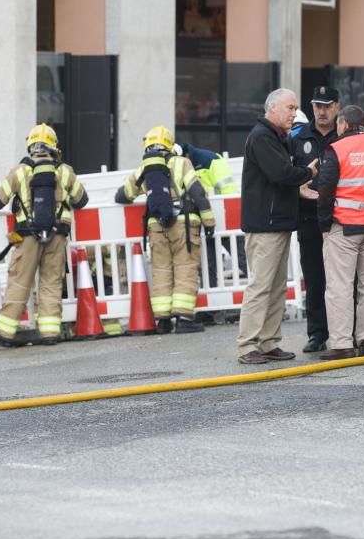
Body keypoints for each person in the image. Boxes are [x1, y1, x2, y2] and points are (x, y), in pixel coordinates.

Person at [237, 88, 318, 365]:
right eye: (290, 108)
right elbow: (280, 174)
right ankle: (248, 344)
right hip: (265, 225)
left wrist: (298, 189)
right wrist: (309, 173)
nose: (294, 113)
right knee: (261, 287)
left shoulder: (274, 136)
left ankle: (269, 342)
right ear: (272, 108)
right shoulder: (263, 137)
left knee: (276, 287)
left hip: (277, 222)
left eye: (296, 108)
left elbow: (276, 181)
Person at [0, 124, 88, 346]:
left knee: (20, 282)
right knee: (52, 282)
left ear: (30, 146)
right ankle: (50, 332)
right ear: (54, 147)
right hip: (58, 235)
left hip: (27, 236)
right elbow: (82, 200)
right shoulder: (64, 171)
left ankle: (5, 332)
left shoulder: (19, 172)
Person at [115, 126, 216, 334]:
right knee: (185, 267)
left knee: (161, 270)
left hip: (156, 226)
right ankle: (184, 318)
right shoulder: (182, 163)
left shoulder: (145, 168)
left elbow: (123, 196)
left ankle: (163, 321)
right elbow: (197, 192)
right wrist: (209, 222)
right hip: (184, 224)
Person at [315, 105, 364, 360]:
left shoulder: (337, 149)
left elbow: (325, 191)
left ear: (344, 124)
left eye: (338, 124)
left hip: (344, 227)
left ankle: (341, 343)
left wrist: (325, 224)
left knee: (340, 286)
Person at [288, 86, 341, 353]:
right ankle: (317, 333)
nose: (321, 111)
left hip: (339, 219)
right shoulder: (298, 137)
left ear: (337, 107)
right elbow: (289, 172)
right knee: (314, 278)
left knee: (341, 280)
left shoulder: (345, 136)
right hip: (308, 218)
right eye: (317, 105)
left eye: (327, 105)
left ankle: (344, 332)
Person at [179, 142, 247, 288]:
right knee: (208, 260)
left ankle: (253, 281)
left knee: (238, 253)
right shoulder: (186, 162)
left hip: (220, 214)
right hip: (201, 217)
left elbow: (227, 189)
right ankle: (211, 297)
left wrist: (228, 214)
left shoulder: (208, 160)